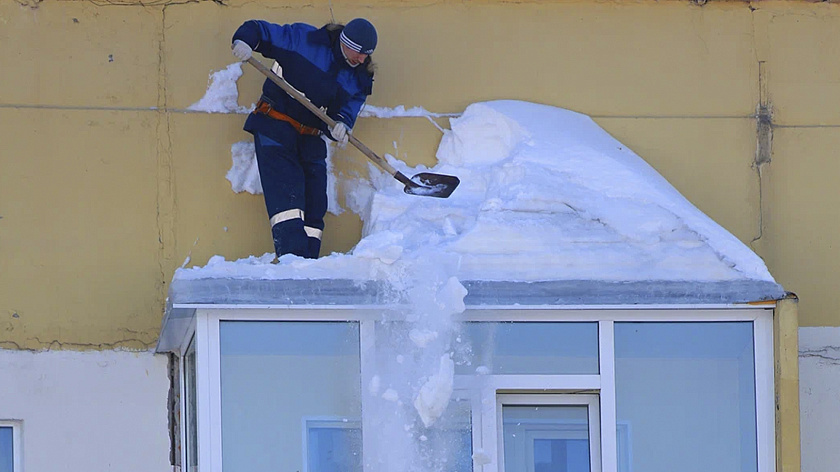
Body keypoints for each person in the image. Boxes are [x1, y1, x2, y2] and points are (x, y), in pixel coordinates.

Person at [231, 18, 377, 259]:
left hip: (311, 138)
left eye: (367, 55)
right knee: (288, 199)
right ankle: (292, 263)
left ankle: (308, 266)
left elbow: (348, 110)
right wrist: (244, 40)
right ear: (345, 42)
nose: (362, 60)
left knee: (315, 206)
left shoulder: (359, 78)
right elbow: (260, 30)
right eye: (360, 53)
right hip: (275, 126)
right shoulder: (305, 41)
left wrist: (342, 124)